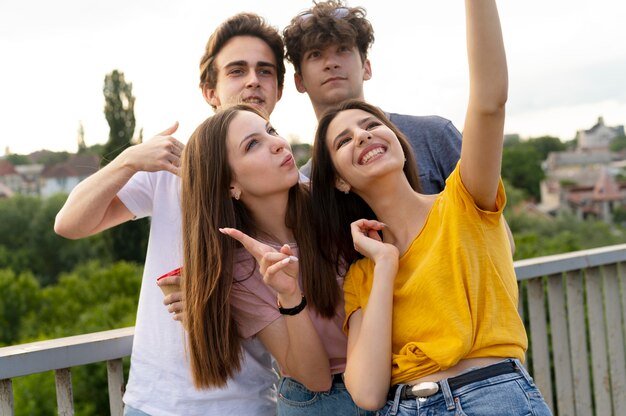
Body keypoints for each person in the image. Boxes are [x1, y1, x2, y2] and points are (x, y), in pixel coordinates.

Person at [309, 1, 552, 415]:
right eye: (344, 141)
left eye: (370, 126)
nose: (362, 137)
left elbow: (490, 101)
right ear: (339, 179)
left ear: (398, 141)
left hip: (493, 396)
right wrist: (385, 264)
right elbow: (367, 393)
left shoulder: (464, 200)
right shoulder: (363, 272)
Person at [54, 13, 286, 416]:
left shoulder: (286, 179)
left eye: (264, 71)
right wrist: (128, 160)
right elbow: (69, 223)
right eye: (237, 70)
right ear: (209, 90)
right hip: (154, 404)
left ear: (279, 89)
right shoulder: (169, 170)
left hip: (247, 405)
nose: (253, 80)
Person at [180, 104, 373, 416]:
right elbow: (315, 378)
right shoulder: (242, 268)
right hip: (321, 401)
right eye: (253, 144)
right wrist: (289, 296)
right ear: (230, 184)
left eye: (271, 130)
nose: (279, 143)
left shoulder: (336, 200)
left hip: (395, 377)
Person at [283, 0, 461, 196]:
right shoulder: (307, 182)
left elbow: (488, 220)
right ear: (299, 81)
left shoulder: (434, 135)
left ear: (366, 68)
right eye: (316, 54)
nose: (331, 63)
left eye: (343, 49)